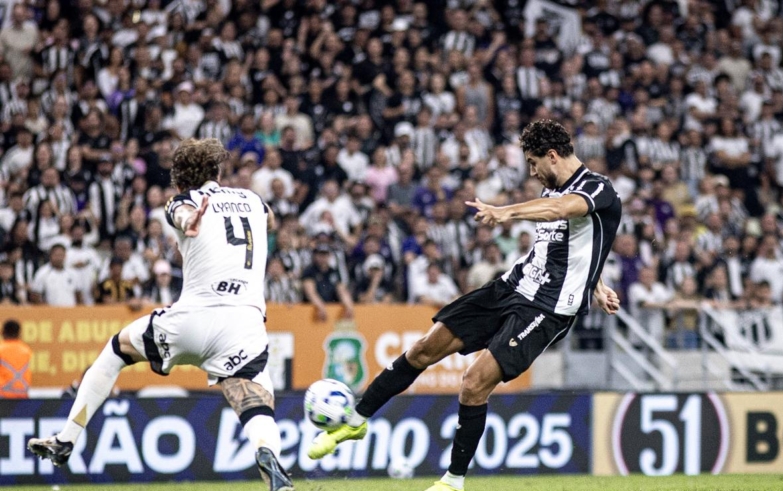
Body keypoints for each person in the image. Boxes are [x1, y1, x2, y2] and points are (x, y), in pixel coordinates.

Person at [306, 120, 622, 491]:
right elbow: (576, 245)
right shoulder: (548, 191)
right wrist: (597, 284)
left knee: (473, 383)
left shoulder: (596, 187)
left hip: (547, 308)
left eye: (534, 163)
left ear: (552, 156)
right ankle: (356, 420)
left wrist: (506, 212)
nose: (532, 171)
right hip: (512, 286)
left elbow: (564, 210)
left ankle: (452, 481)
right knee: (423, 349)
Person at [27, 138, 294, 491]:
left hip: (193, 318)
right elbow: (270, 220)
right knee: (255, 402)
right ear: (217, 171)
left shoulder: (184, 200)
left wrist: (190, 220)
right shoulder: (253, 200)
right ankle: (268, 456)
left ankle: (66, 439)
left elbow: (180, 213)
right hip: (245, 324)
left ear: (179, 179)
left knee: (116, 350)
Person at [0, 319, 32, 399]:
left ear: (2, 332)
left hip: (3, 396)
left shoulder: (1, 349)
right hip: (22, 395)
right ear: (19, 333)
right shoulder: (26, 350)